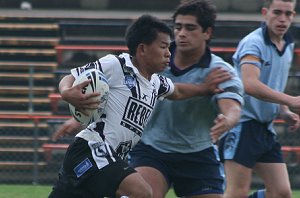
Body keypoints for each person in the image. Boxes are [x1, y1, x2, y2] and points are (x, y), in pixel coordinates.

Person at [48, 14, 231, 198]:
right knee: (142, 192)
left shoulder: (156, 83)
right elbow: (71, 77)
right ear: (142, 49)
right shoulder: (117, 64)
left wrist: (204, 88)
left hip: (109, 159)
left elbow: (179, 92)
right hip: (92, 148)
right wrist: (66, 92)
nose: (169, 53)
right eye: (163, 47)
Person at [128, 0, 244, 198]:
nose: (181, 33)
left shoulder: (220, 71)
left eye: (190, 28)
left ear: (208, 32)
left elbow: (232, 107)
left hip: (198, 153)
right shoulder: (153, 60)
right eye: (178, 27)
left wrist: (228, 120)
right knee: (141, 195)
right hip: (152, 148)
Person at [218, 0, 300, 198]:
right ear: (265, 13)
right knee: (237, 191)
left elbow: (272, 86)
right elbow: (250, 84)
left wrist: (284, 111)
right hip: (242, 125)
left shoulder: (287, 44)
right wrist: (290, 100)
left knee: (281, 193)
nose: (282, 19)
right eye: (277, 12)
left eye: (288, 14)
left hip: (264, 128)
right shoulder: (254, 42)